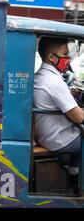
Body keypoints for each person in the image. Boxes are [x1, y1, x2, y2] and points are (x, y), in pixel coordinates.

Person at [34, 37, 83, 174]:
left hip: (46, 136)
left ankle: (74, 169)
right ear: (51, 57)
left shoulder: (40, 76)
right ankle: (75, 175)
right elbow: (79, 117)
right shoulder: (54, 82)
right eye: (65, 54)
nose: (68, 58)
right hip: (59, 139)